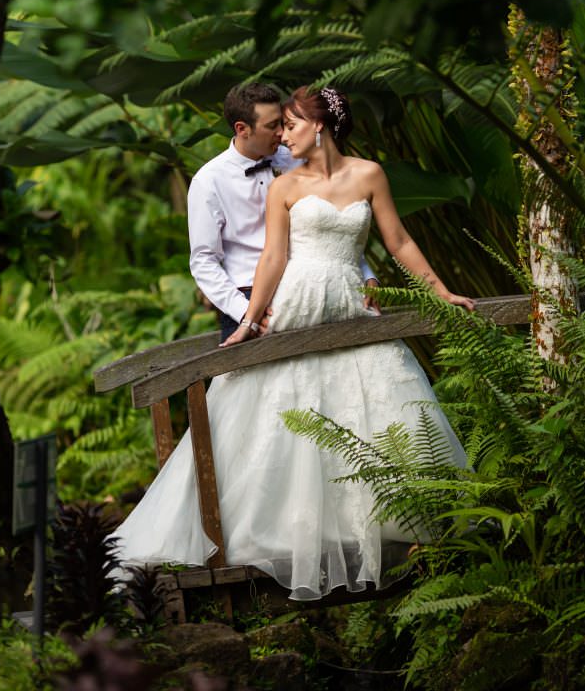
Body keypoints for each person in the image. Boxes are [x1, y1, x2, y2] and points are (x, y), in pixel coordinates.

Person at [112, 87, 472, 601]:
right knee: (276, 404)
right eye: (277, 126)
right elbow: (272, 259)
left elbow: (399, 241)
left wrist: (440, 292)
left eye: (290, 125)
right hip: (294, 298)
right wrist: (248, 320)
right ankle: (269, 531)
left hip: (349, 299)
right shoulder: (279, 184)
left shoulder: (369, 174)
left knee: (373, 390)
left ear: (319, 127)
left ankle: (386, 519)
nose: (283, 134)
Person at [187, 81, 377, 341]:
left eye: (283, 123)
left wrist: (367, 274)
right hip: (248, 296)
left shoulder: (299, 157)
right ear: (242, 129)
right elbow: (203, 261)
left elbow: (332, 224)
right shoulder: (209, 181)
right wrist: (247, 314)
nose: (282, 133)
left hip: (314, 291)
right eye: (272, 126)